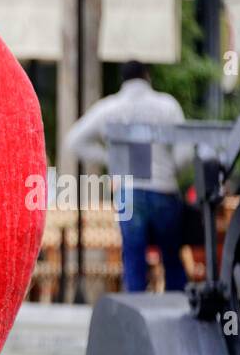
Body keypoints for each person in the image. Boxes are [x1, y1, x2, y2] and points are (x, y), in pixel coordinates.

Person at [65, 61, 193, 293]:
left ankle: (136, 310)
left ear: (123, 80)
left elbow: (74, 140)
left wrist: (110, 160)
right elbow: (185, 153)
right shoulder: (167, 106)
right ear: (147, 76)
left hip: (130, 192)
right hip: (164, 190)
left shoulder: (110, 108)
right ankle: (179, 310)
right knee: (172, 259)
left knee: (133, 261)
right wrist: (171, 170)